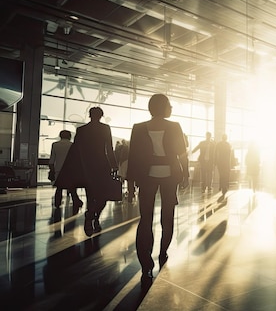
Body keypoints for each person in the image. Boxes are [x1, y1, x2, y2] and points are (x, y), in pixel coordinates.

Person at [127, 94, 190, 281]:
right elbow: (182, 153)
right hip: (170, 176)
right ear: (164, 107)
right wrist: (186, 174)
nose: (171, 108)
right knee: (167, 216)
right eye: (170, 105)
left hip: (146, 176)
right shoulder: (174, 126)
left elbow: (134, 157)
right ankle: (163, 252)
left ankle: (146, 262)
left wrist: (130, 183)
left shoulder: (138, 128)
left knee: (145, 218)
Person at [56, 107, 118, 237]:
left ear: (90, 115)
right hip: (101, 165)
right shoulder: (105, 128)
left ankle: (90, 216)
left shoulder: (81, 130)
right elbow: (109, 148)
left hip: (86, 165)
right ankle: (93, 217)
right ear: (101, 115)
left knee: (91, 196)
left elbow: (76, 150)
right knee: (102, 196)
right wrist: (114, 166)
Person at [49, 130, 83, 209]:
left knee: (59, 188)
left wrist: (52, 170)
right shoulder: (73, 145)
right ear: (70, 136)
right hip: (70, 170)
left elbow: (52, 160)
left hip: (58, 169)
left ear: (60, 136)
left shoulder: (55, 145)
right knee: (72, 188)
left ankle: (57, 203)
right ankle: (76, 202)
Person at [214, 133, 232, 201]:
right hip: (225, 162)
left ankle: (222, 186)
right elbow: (230, 154)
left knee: (222, 175)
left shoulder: (219, 144)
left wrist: (216, 161)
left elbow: (216, 153)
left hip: (221, 162)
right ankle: (224, 186)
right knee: (225, 175)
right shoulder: (228, 145)